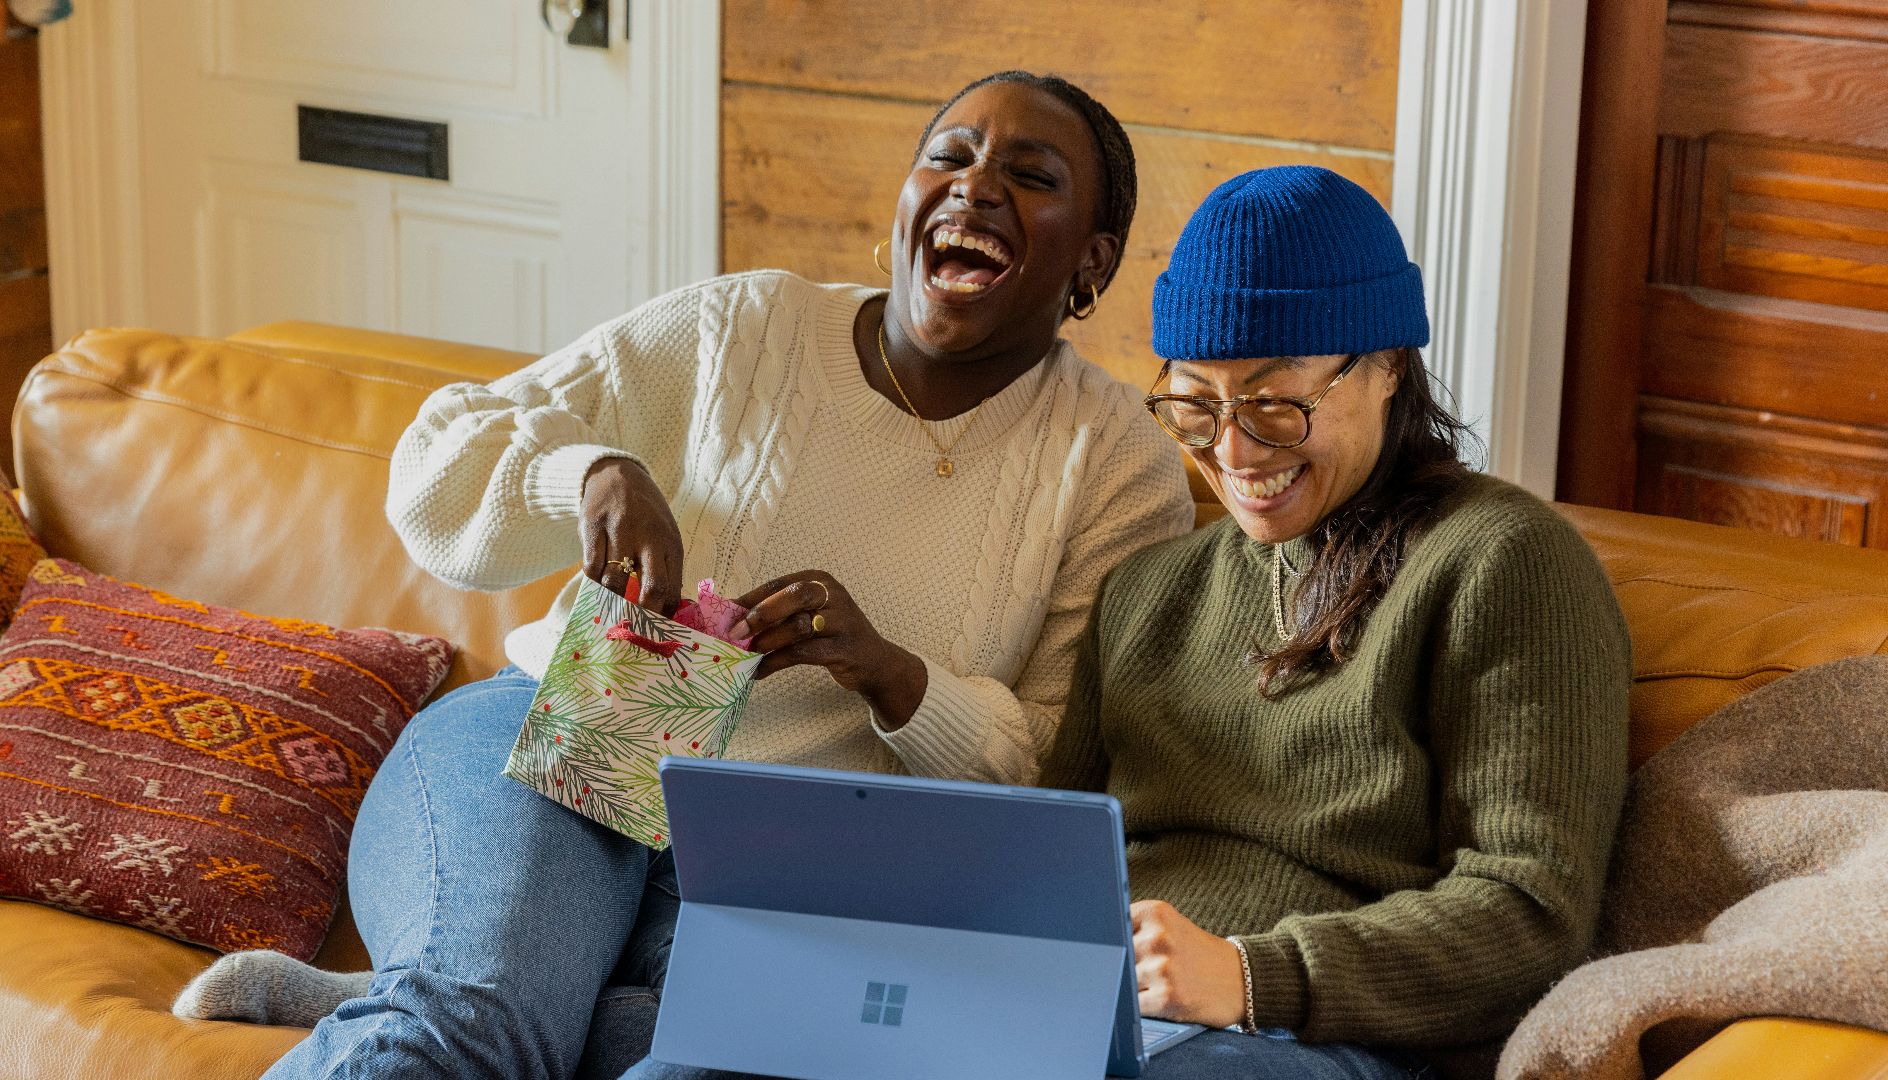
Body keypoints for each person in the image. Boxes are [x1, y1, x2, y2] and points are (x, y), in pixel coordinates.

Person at [171, 71, 1194, 1079]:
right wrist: (590, 476)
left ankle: (466, 989)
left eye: (1031, 174)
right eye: (950, 157)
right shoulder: (746, 328)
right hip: (572, 733)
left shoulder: (1115, 461)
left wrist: (893, 676)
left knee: (670, 1055)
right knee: (476, 1028)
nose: (975, 186)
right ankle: (470, 994)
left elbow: (1059, 775)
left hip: (797, 863)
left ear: (1092, 260)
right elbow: (436, 462)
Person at [1034, 165, 1633, 1078]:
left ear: (1388, 364)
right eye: (1195, 405)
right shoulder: (1144, 593)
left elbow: (1529, 910)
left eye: (1275, 404)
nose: (1232, 451)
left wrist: (1251, 975)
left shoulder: (1501, 562)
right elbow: (1050, 864)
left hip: (1314, 1036)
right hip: (1100, 1010)